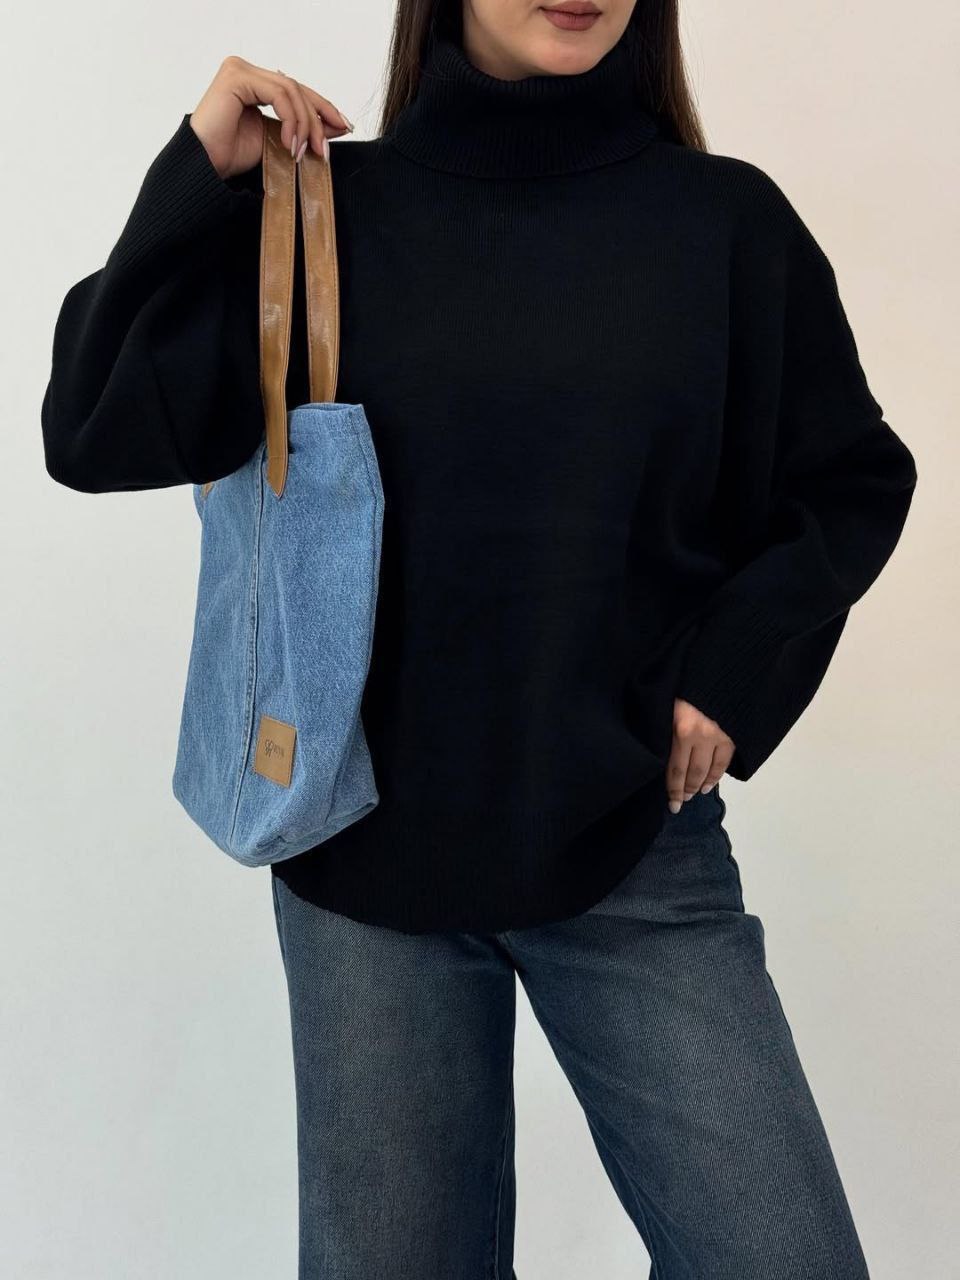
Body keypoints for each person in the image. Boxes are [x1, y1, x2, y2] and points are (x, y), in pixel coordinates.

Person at [40, 0, 917, 1275]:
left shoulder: (724, 223)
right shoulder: (322, 216)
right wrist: (200, 171)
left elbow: (850, 478)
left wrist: (733, 674)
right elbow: (90, 426)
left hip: (632, 842)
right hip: (361, 858)